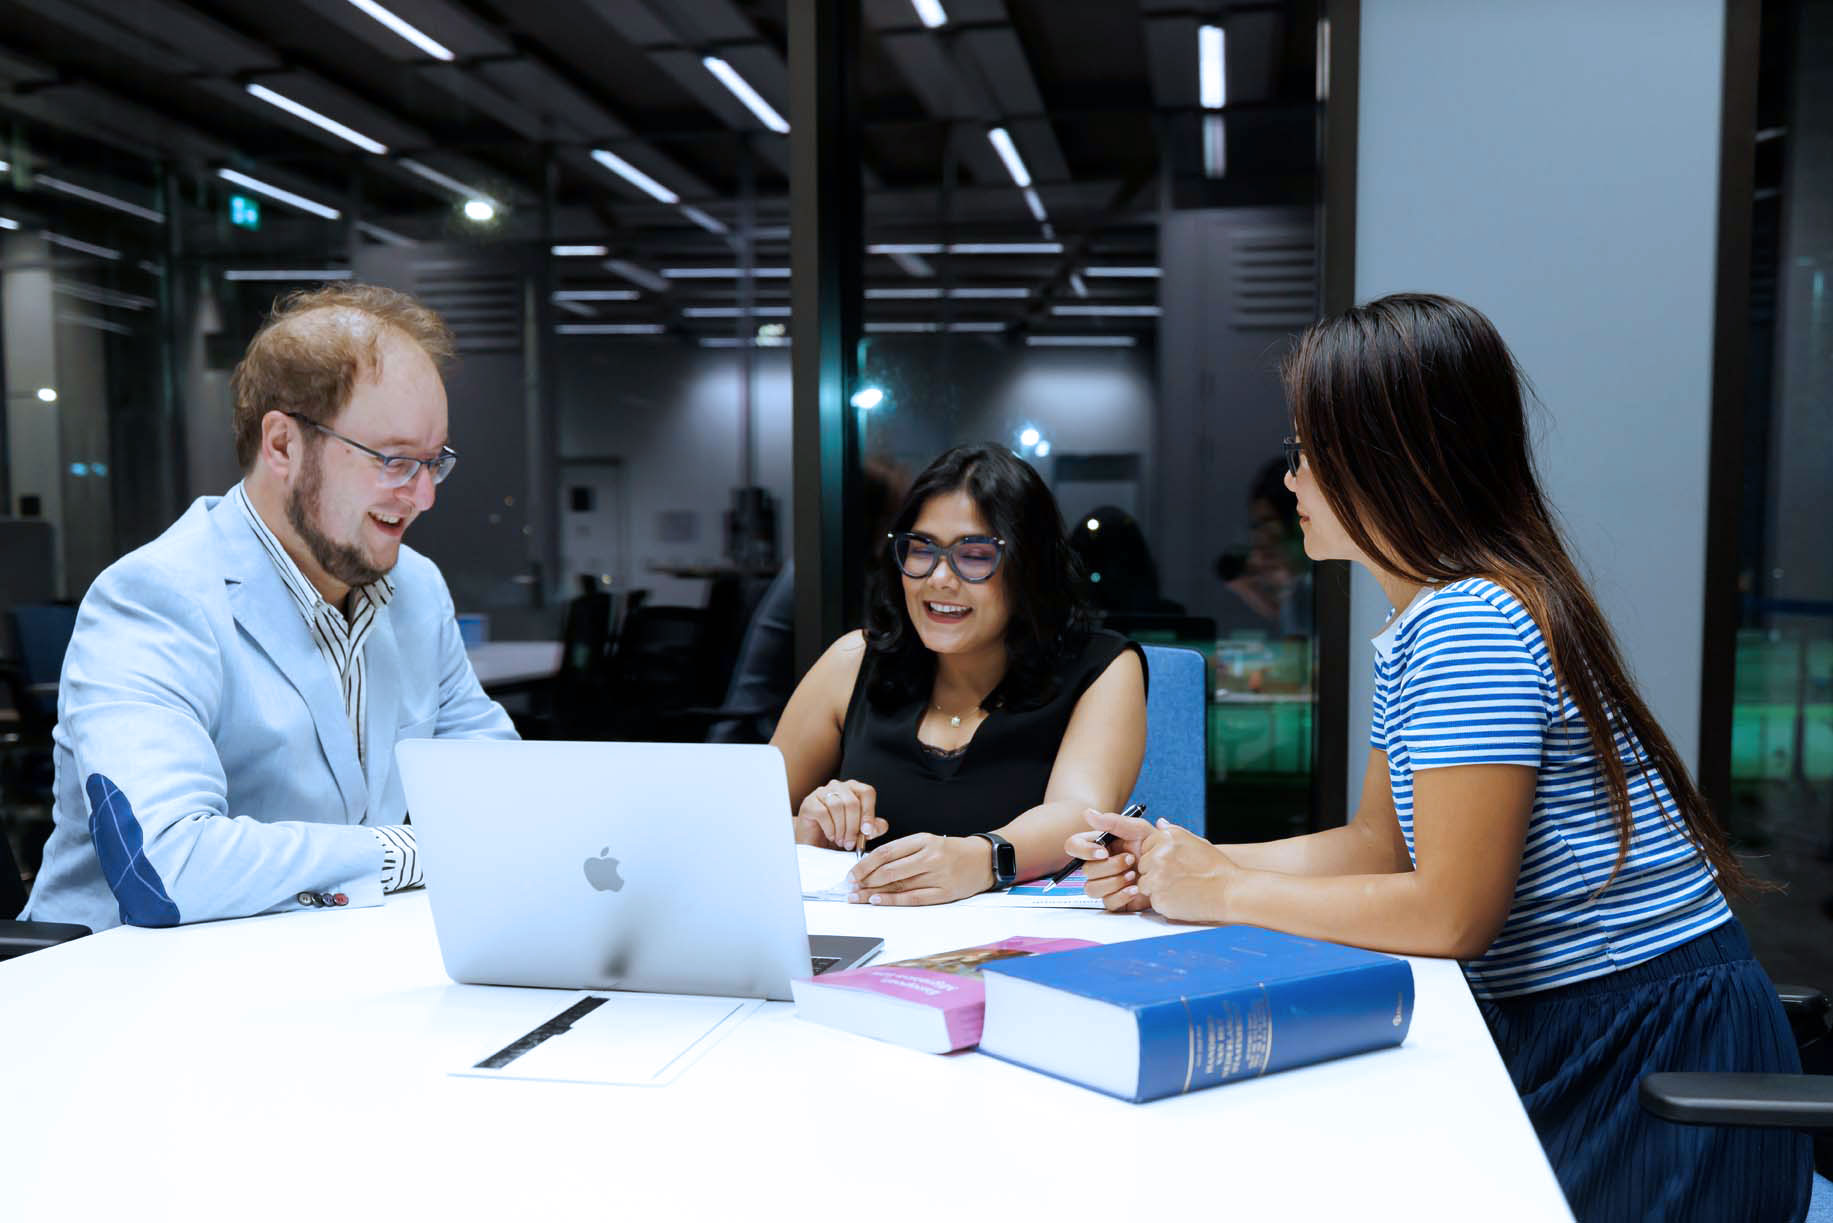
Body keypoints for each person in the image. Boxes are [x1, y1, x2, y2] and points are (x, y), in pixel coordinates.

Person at [1069, 293, 1810, 1221]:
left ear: (1381, 459)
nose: (1290, 479)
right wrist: (1181, 859)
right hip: (1604, 1023)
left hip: (1642, 1050)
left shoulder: (1470, 622)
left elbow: (1451, 912)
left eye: (1306, 451)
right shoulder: (1430, 618)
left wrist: (1215, 891)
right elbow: (1379, 846)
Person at [22, 284, 517, 931]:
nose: (423, 496)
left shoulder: (416, 590)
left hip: (316, 973)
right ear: (282, 445)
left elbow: (507, 804)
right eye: (395, 460)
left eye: (433, 462)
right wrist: (405, 853)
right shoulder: (154, 598)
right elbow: (166, 869)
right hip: (129, 994)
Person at [771, 443, 1146, 906]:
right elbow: (745, 819)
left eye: (974, 555)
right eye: (920, 549)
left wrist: (980, 859)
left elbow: (1079, 816)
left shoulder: (1101, 666)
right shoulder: (851, 661)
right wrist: (808, 831)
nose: (939, 578)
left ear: (1029, 566)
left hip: (1016, 952)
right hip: (862, 941)